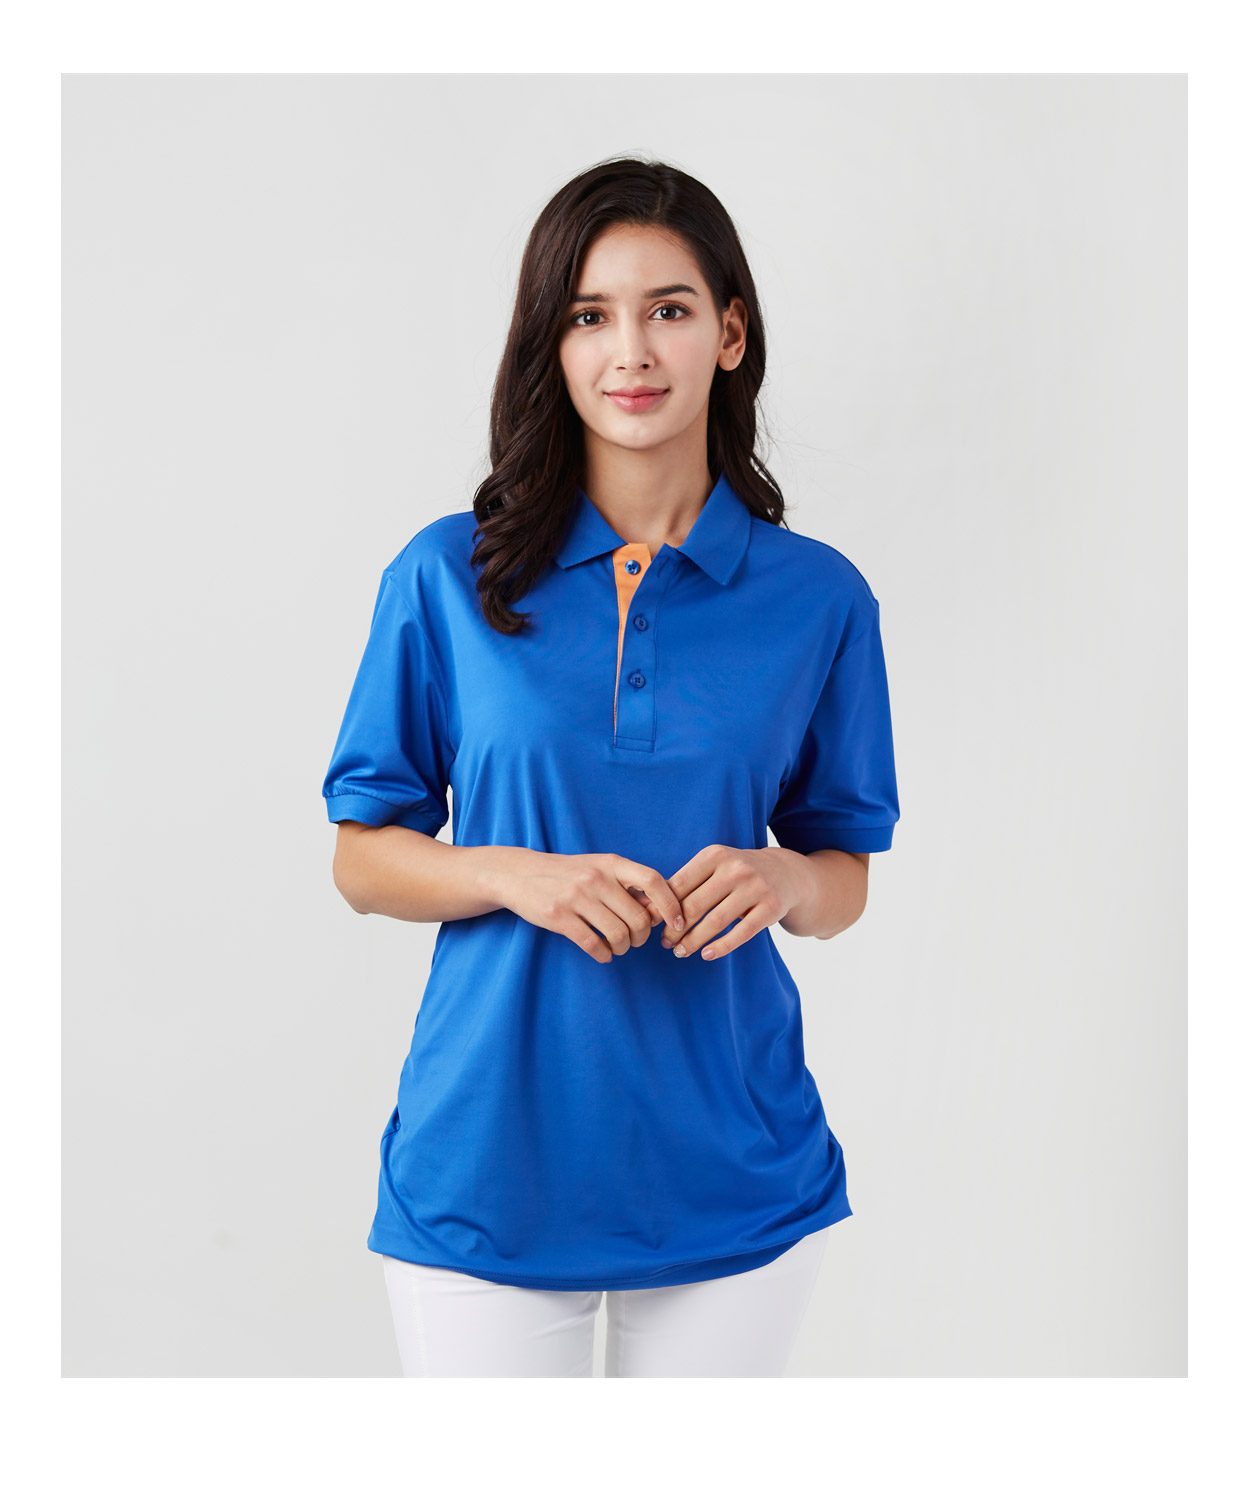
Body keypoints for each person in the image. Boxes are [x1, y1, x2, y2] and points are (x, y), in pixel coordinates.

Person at [321, 156, 900, 1377]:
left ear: (728, 334)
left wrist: (785, 880)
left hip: (733, 1172)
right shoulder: (445, 576)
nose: (629, 351)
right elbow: (362, 861)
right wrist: (515, 875)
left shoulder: (819, 600)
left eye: (666, 309)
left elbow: (840, 879)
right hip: (483, 1171)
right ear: (551, 342)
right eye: (588, 316)